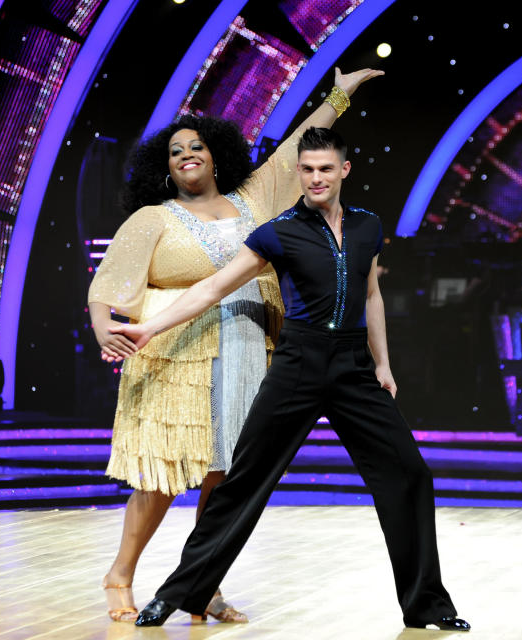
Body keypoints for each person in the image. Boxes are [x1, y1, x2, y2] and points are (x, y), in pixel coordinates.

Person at [104, 127, 470, 631]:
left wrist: (383, 365)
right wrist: (148, 327)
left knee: (411, 474)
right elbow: (210, 289)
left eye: (325, 168)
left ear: (343, 170)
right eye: (307, 169)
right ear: (298, 174)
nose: (316, 178)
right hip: (298, 364)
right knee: (242, 483)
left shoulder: (367, 227)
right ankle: (179, 593)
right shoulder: (278, 231)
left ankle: (427, 605)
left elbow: (370, 298)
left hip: (352, 369)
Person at [88, 70, 383, 623]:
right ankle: (120, 573)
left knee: (228, 473)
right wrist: (104, 323)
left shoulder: (254, 200)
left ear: (217, 155)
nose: (187, 155)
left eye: (197, 146)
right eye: (175, 151)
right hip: (176, 350)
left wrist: (340, 97)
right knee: (165, 475)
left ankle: (203, 584)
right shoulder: (152, 218)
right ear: (164, 166)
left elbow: (298, 146)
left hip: (248, 343)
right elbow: (109, 282)